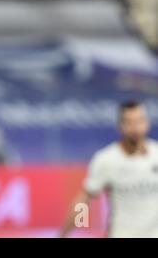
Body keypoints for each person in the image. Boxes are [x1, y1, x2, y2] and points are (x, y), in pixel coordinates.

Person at [60, 100, 158, 238]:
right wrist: (66, 233)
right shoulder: (106, 159)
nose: (136, 128)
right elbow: (84, 200)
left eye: (139, 121)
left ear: (147, 123)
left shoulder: (156, 154)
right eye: (129, 123)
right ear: (120, 126)